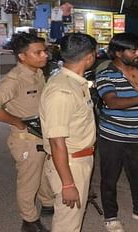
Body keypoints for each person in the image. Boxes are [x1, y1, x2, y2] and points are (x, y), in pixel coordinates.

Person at [95, 33, 138, 232]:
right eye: (133, 50)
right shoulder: (106, 74)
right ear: (118, 52)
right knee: (110, 178)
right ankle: (110, 216)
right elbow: (112, 102)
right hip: (112, 137)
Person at [0, 32, 54, 232]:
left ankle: (48, 204)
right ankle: (29, 220)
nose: (44, 55)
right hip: (26, 139)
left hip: (41, 133)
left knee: (45, 174)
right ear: (22, 56)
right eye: (38, 52)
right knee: (29, 181)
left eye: (44, 51)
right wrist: (16, 121)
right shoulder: (14, 79)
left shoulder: (37, 72)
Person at [39, 33, 97, 232]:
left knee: (72, 221)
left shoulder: (74, 82)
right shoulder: (62, 91)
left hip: (79, 159)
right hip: (70, 163)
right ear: (89, 57)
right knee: (67, 224)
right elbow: (56, 142)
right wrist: (67, 183)